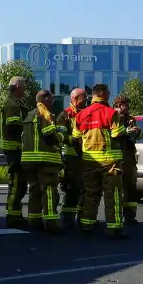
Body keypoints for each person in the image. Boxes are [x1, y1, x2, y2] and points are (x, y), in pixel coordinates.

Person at [73, 83, 126, 239]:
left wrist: (84, 155)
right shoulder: (111, 113)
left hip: (89, 162)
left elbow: (75, 139)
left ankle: (87, 225)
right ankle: (114, 228)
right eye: (108, 92)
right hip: (110, 163)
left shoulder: (81, 115)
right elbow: (118, 135)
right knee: (113, 196)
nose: (110, 95)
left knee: (91, 194)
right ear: (102, 93)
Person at [21, 90, 65, 232]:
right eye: (51, 98)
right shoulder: (45, 114)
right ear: (45, 99)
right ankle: (52, 224)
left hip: (29, 161)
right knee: (49, 191)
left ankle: (34, 221)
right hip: (45, 160)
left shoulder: (29, 115)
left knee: (34, 190)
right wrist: (61, 136)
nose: (53, 101)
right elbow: (48, 135)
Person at [0, 77, 28, 229]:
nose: (24, 90)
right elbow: (12, 125)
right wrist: (29, 125)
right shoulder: (11, 104)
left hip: (16, 149)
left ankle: (16, 214)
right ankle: (12, 215)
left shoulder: (15, 103)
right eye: (23, 87)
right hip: (14, 150)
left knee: (20, 184)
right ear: (17, 87)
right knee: (17, 184)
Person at [56, 88, 87, 229]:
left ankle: (83, 218)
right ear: (75, 99)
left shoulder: (87, 113)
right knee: (71, 189)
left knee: (86, 189)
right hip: (70, 158)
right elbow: (61, 136)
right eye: (83, 98)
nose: (86, 100)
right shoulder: (65, 115)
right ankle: (67, 218)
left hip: (86, 157)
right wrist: (76, 140)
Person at [113, 95, 143, 226]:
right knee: (116, 189)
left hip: (129, 158)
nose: (128, 108)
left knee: (131, 187)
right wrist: (126, 131)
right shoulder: (112, 117)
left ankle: (130, 216)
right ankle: (115, 217)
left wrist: (136, 131)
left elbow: (140, 136)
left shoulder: (131, 119)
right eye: (126, 105)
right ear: (119, 105)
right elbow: (113, 135)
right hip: (117, 157)